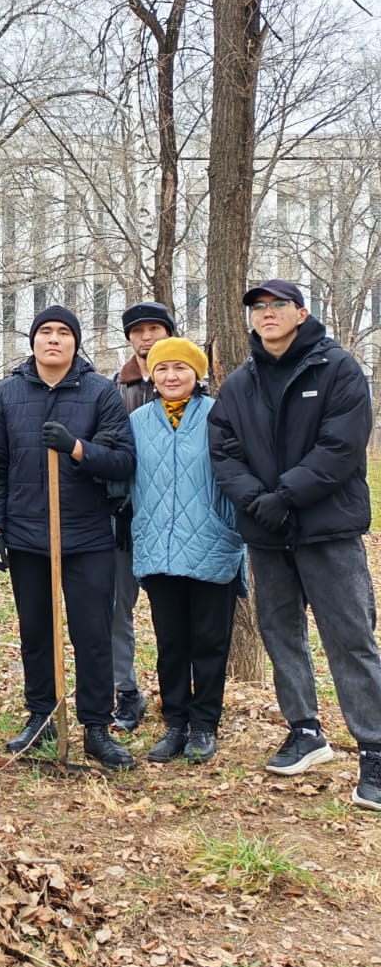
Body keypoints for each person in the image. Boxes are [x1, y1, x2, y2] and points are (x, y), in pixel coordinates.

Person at [208, 280, 381, 811]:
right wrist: (256, 500)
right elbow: (223, 449)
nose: (267, 314)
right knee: (280, 632)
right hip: (267, 533)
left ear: (301, 313)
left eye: (278, 305)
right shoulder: (240, 382)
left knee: (350, 637)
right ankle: (305, 730)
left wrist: (287, 494)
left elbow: (341, 446)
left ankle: (374, 748)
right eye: (258, 307)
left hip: (327, 529)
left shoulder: (338, 369)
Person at [0, 305, 136, 770]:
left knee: (92, 634)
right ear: (32, 341)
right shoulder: (6, 394)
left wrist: (78, 449)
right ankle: (42, 716)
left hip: (87, 536)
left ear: (75, 342)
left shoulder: (101, 392)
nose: (53, 339)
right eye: (45, 331)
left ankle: (96, 727)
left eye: (63, 332)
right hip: (27, 535)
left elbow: (123, 461)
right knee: (36, 632)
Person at [129, 338, 245, 764]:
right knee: (171, 642)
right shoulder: (138, 421)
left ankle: (204, 726)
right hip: (158, 545)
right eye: (162, 368)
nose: (171, 376)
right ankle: (175, 723)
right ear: (152, 375)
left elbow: (240, 473)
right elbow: (122, 474)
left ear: (197, 374)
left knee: (210, 641)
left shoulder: (219, 415)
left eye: (180, 368)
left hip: (211, 543)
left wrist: (230, 527)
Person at [110, 300, 176, 734]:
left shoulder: (190, 382)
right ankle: (126, 691)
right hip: (124, 518)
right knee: (117, 608)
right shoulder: (115, 388)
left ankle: (180, 696)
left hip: (176, 519)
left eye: (154, 328)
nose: (146, 337)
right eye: (138, 331)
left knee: (176, 611)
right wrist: (118, 502)